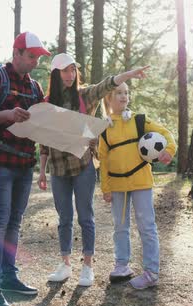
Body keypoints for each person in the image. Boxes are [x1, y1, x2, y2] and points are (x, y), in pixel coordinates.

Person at [38, 53, 150, 287]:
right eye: (65, 71)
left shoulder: (83, 95)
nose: (69, 75)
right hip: (58, 170)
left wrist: (128, 75)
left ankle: (87, 266)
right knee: (64, 218)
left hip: (83, 167)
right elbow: (44, 141)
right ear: (55, 74)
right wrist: (41, 171)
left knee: (86, 216)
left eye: (72, 70)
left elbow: (106, 85)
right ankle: (65, 264)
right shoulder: (47, 103)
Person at [0, 31, 50, 306]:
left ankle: (9, 277)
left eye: (37, 57)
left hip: (24, 166)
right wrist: (9, 114)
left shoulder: (35, 86)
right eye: (30, 56)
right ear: (16, 52)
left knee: (14, 223)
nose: (34, 62)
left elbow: (42, 123)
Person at [98, 82, 176, 289]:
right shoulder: (104, 128)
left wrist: (169, 150)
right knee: (120, 227)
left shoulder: (139, 120)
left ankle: (151, 272)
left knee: (147, 227)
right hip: (116, 186)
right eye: (118, 93)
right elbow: (103, 161)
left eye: (126, 93)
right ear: (109, 98)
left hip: (141, 182)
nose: (124, 96)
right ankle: (122, 265)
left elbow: (166, 134)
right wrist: (105, 188)